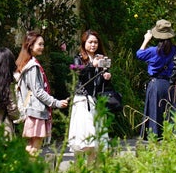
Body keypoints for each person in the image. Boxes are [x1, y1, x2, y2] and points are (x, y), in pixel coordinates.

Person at [14, 31, 67, 157]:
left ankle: (24, 172)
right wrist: (56, 103)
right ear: (30, 45)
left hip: (31, 110)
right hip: (36, 111)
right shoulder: (32, 66)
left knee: (30, 145)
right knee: (35, 147)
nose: (42, 47)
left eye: (43, 44)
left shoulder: (25, 63)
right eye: (40, 44)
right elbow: (38, 91)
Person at [69, 31, 112, 159]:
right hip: (83, 101)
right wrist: (91, 65)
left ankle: (92, 169)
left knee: (96, 140)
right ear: (84, 43)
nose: (93, 45)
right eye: (90, 42)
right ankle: (81, 169)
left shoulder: (101, 58)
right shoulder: (79, 58)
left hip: (97, 101)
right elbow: (77, 72)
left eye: (95, 42)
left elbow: (104, 84)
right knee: (85, 137)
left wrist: (106, 77)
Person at [136, 20, 176, 139]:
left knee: (154, 111)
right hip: (170, 84)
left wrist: (146, 39)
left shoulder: (152, 51)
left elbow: (139, 54)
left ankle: (153, 135)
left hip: (155, 84)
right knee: (169, 111)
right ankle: (169, 135)